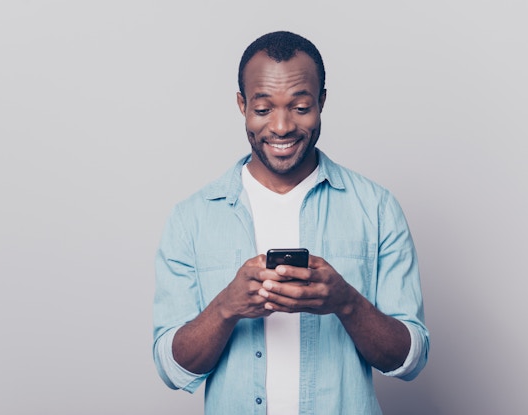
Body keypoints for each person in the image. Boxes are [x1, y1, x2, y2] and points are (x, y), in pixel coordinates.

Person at [153, 30, 429, 414]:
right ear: (242, 105)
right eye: (263, 109)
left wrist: (345, 301)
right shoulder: (192, 217)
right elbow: (172, 369)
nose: (281, 127)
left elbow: (410, 360)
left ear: (322, 102)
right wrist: (225, 308)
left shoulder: (377, 207)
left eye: (300, 107)